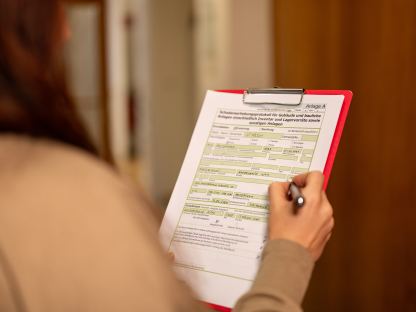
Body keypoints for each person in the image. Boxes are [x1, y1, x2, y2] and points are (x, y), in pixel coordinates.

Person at [0, 0, 334, 311]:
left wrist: (147, 276)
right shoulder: (69, 194)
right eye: (54, 10)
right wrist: (291, 253)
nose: (66, 31)